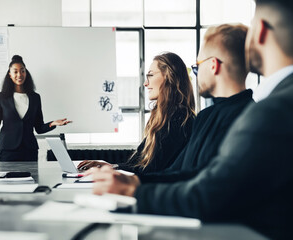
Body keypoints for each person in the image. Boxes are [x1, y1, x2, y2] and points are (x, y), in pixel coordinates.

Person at [89, 0, 293, 238]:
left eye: (197, 66)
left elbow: (210, 194)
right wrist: (134, 181)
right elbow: (197, 173)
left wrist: (135, 193)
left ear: (260, 32)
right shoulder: (230, 113)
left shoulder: (272, 109)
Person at [137, 24, 253, 183]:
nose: (195, 75)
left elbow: (204, 184)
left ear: (213, 65)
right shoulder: (205, 117)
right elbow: (177, 172)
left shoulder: (248, 119)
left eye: (197, 66)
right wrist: (131, 182)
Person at [80, 52, 196, 175]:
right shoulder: (164, 117)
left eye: (150, 75)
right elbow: (139, 163)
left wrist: (112, 170)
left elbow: (150, 171)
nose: (145, 83)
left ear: (169, 77)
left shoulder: (179, 119)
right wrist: (111, 166)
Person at [0, 55, 71, 161]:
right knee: (8, 178)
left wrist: (53, 123)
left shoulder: (35, 97)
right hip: (8, 150)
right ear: (10, 74)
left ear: (26, 73)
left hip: (29, 150)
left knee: (32, 177)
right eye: (15, 71)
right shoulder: (2, 97)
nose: (19, 74)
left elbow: (39, 128)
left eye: (22, 71)